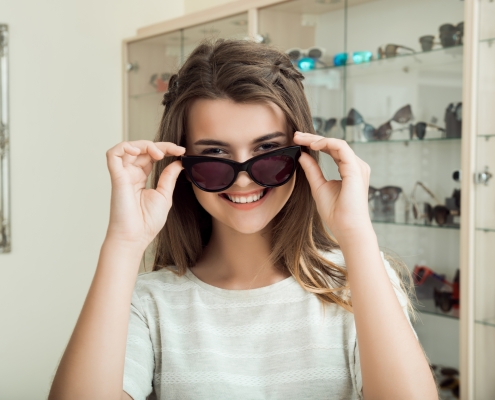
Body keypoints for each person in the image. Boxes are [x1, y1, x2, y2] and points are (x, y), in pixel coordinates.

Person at [48, 38, 438, 399]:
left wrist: (357, 236)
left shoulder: (360, 278)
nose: (245, 177)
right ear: (181, 166)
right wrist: (123, 243)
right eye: (215, 158)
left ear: (303, 152)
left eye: (268, 151)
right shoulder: (149, 302)